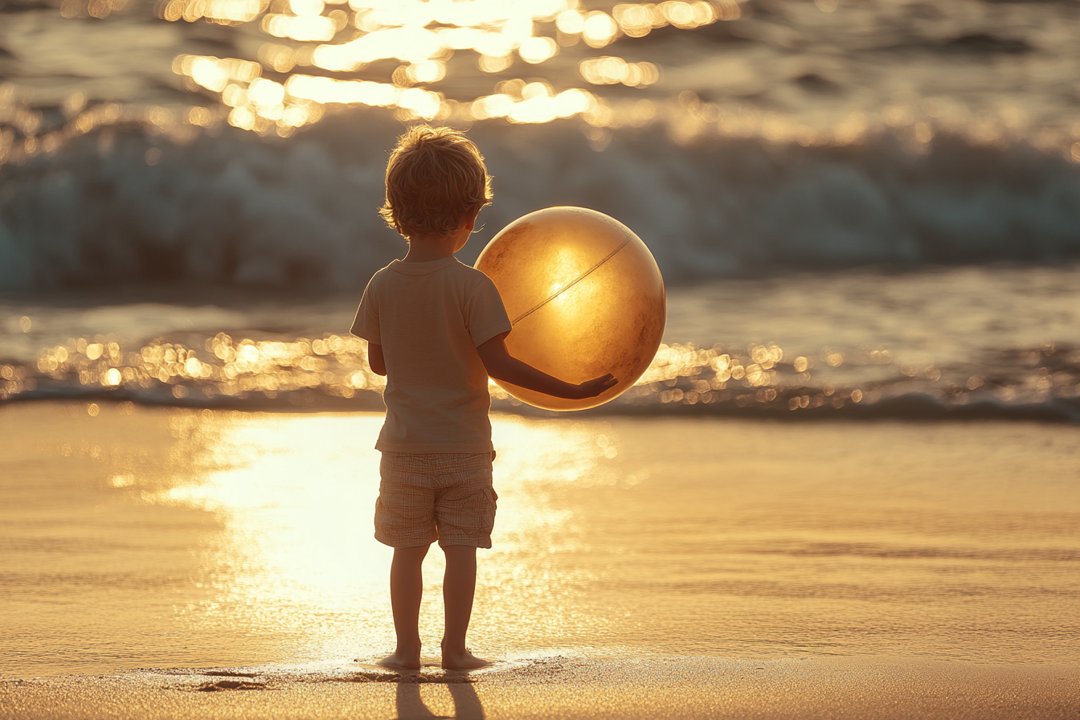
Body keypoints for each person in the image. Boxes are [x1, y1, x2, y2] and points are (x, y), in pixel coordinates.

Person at [350, 126, 616, 671]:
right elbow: (501, 365)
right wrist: (574, 389)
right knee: (461, 550)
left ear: (395, 212)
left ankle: (405, 650)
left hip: (403, 450)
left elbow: (379, 363)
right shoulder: (474, 288)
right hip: (465, 450)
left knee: (407, 552)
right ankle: (454, 649)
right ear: (472, 215)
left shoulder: (381, 284)